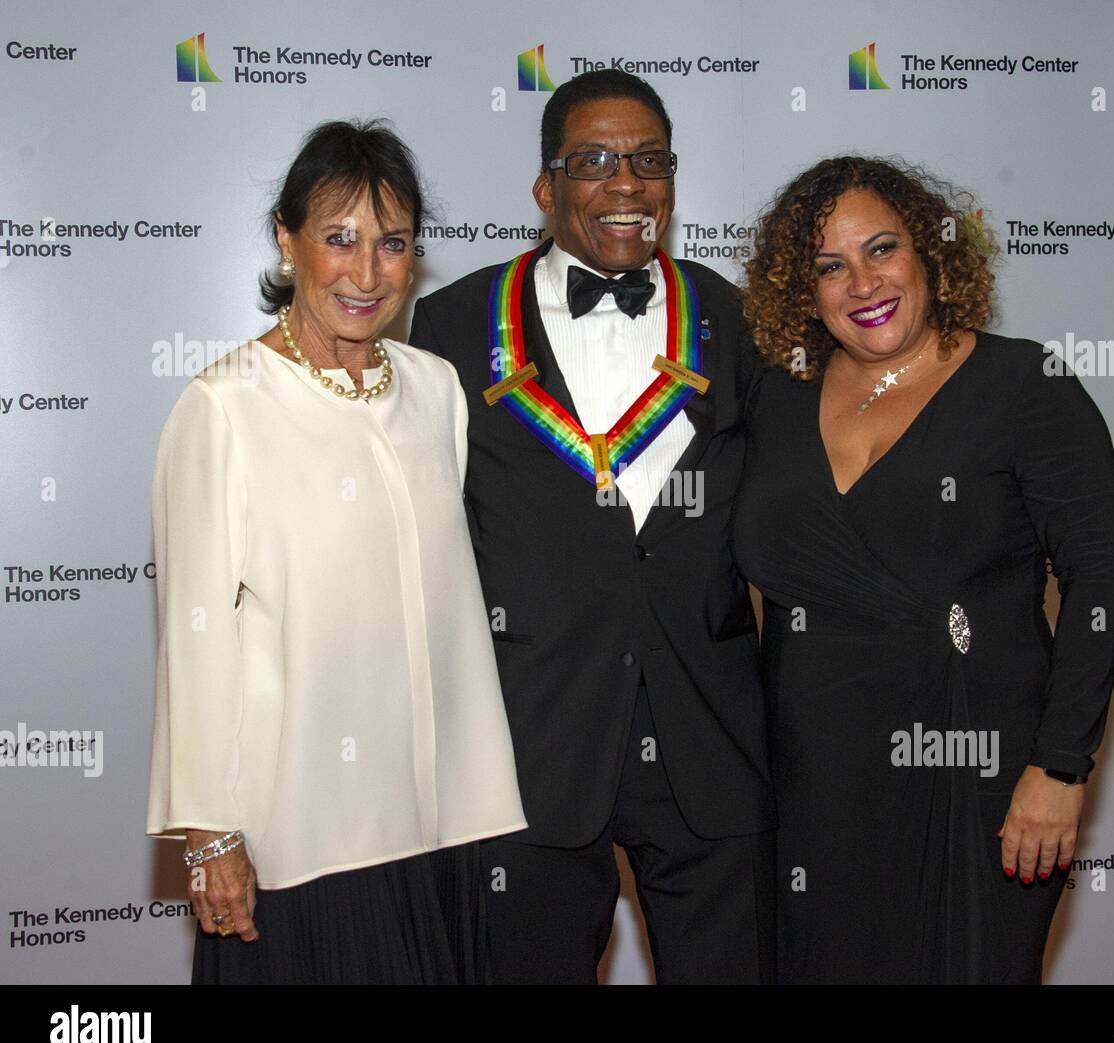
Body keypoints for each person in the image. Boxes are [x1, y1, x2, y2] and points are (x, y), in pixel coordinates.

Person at [409, 69, 775, 984]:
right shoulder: (452, 325)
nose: (626, 182)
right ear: (547, 188)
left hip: (709, 742)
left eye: (649, 160)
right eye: (596, 160)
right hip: (527, 747)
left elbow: (808, 506)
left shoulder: (735, 321)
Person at [734, 156, 1114, 983]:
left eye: (882, 250)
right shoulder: (775, 399)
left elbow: (1100, 578)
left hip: (980, 775)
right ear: (802, 289)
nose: (862, 283)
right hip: (813, 788)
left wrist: (1060, 767)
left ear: (931, 254)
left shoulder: (1025, 385)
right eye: (829, 266)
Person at [146, 120, 526, 985]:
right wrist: (211, 834)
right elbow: (197, 638)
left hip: (443, 819)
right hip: (304, 835)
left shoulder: (435, 389)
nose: (367, 273)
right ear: (287, 240)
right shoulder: (224, 407)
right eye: (339, 239)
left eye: (392, 244)